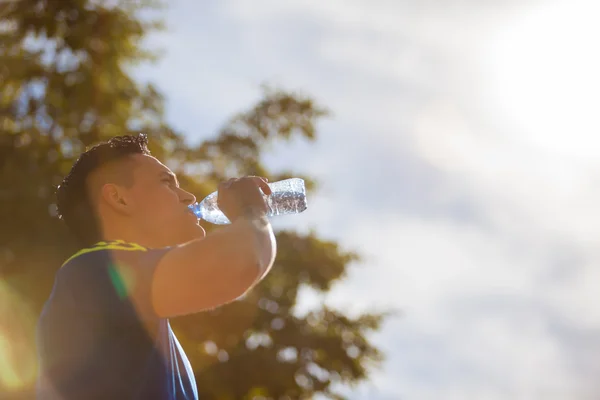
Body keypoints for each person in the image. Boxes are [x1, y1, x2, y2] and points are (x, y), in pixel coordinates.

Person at [35, 134, 276, 400]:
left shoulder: (146, 325)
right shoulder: (91, 273)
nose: (189, 196)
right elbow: (242, 262)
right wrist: (250, 211)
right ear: (119, 198)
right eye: (167, 183)